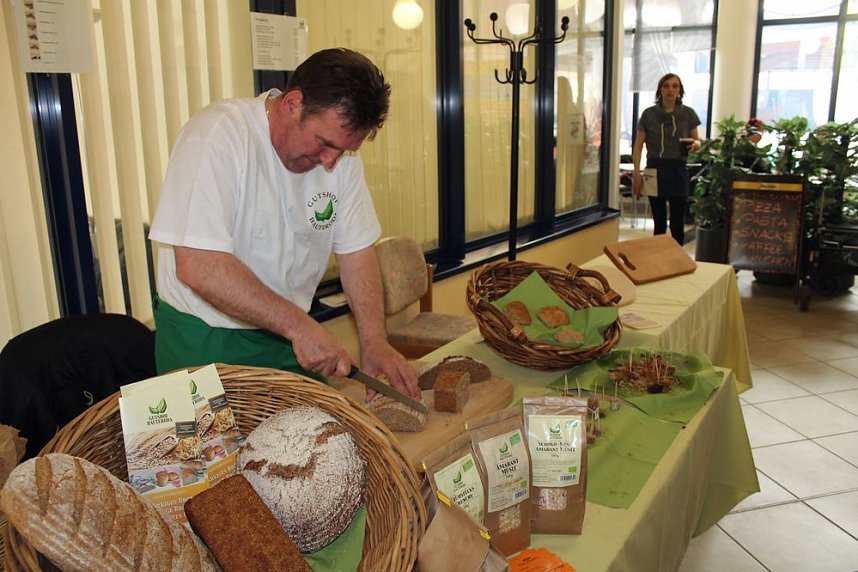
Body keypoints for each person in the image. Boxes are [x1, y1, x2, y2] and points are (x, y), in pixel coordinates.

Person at [148, 47, 420, 399]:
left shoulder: (341, 159)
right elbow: (198, 266)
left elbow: (357, 251)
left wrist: (374, 340)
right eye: (324, 144)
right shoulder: (217, 136)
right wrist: (298, 326)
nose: (331, 161)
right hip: (203, 339)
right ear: (293, 104)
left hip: (283, 336)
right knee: (208, 453)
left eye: (343, 150)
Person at [632, 73, 701, 245]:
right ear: (660, 89)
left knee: (678, 221)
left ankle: (678, 260)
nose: (670, 90)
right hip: (655, 168)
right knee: (659, 222)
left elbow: (698, 140)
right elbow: (639, 145)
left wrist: (696, 145)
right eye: (666, 86)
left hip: (678, 167)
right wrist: (636, 174)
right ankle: (660, 259)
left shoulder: (688, 113)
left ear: (680, 90)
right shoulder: (648, 114)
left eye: (675, 86)